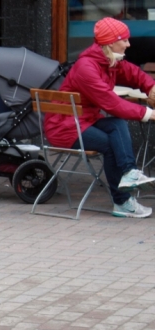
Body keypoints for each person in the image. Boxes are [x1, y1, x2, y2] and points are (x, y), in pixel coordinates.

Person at [44, 17, 155, 218]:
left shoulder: (107, 61)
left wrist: (151, 86)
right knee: (111, 144)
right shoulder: (87, 67)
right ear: (111, 42)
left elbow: (133, 73)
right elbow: (111, 103)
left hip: (84, 121)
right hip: (65, 128)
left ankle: (130, 173)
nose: (129, 44)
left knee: (116, 124)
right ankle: (121, 202)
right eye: (125, 40)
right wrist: (148, 114)